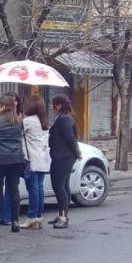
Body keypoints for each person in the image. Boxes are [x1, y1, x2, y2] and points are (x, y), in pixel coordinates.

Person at [0, 94, 26, 234]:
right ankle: (15, 222)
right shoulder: (18, 121)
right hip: (16, 159)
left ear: (2, 106)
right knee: (14, 190)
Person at [49, 94, 81, 230]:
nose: (52, 107)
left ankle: (63, 217)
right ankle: (62, 214)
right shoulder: (64, 118)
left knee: (58, 186)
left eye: (54, 104)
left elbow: (70, 138)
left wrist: (77, 153)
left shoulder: (64, 119)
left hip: (63, 157)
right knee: (64, 185)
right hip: (63, 156)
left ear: (60, 105)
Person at [22, 95, 51, 230]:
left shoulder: (28, 121)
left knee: (33, 188)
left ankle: (32, 217)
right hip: (43, 159)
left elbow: (18, 131)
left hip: (32, 159)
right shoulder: (44, 121)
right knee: (39, 188)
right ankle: (39, 216)